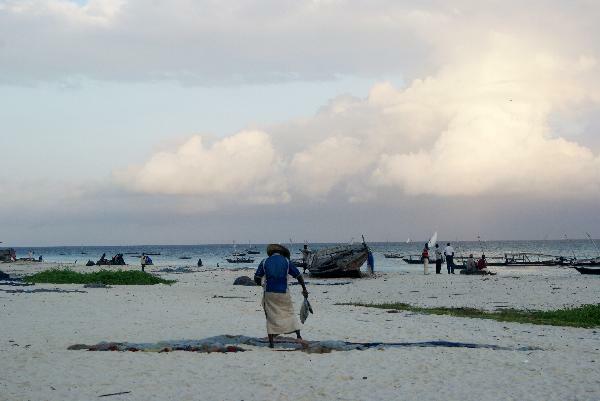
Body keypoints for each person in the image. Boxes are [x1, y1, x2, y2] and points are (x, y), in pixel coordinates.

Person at [254, 244, 309, 348]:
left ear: (271, 253)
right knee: (289, 313)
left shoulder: (264, 261)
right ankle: (298, 336)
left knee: (270, 316)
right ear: (282, 253)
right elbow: (298, 276)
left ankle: (271, 343)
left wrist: (261, 284)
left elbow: (257, 278)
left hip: (269, 292)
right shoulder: (287, 262)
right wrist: (304, 289)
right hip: (284, 292)